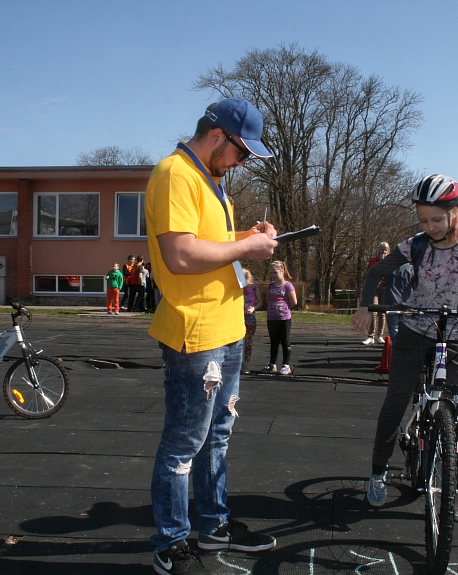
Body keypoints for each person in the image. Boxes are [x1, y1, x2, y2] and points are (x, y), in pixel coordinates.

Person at [145, 98, 279, 575]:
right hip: (194, 333)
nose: (242, 163)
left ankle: (213, 526)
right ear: (218, 136)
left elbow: (212, 244)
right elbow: (180, 254)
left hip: (225, 328)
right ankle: (171, 541)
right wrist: (248, 245)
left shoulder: (212, 182)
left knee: (217, 435)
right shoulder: (174, 175)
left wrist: (248, 233)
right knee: (184, 442)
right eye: (242, 153)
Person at [352, 174, 458, 523]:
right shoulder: (415, 245)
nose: (430, 226)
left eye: (437, 219)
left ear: (454, 214)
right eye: (423, 219)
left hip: (457, 336)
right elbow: (375, 273)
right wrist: (365, 304)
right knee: (396, 402)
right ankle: (378, 471)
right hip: (416, 332)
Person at [260, 260, 297, 376]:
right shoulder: (271, 285)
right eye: (271, 273)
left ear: (282, 271)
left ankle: (286, 365)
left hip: (284, 318)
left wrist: (283, 309)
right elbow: (267, 299)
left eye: (275, 272)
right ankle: (272, 364)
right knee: (274, 341)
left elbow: (294, 302)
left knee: (285, 341)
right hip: (272, 317)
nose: (273, 275)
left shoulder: (287, 285)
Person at [362, 242, 390, 345]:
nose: (383, 252)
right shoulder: (373, 261)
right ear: (378, 250)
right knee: (373, 312)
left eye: (385, 250)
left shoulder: (390, 261)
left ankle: (380, 335)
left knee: (382, 313)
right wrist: (382, 261)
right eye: (381, 249)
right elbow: (376, 271)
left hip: (385, 288)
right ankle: (370, 336)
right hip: (375, 289)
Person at [382, 263, 414, 340]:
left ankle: (396, 347)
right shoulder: (412, 270)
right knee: (408, 330)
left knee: (394, 329)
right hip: (407, 303)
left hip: (392, 303)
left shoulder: (389, 268)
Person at [241, 268, 263, 375]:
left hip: (249, 317)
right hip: (238, 316)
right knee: (237, 342)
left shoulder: (254, 288)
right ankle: (237, 363)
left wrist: (253, 308)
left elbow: (260, 302)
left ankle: (246, 363)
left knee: (248, 341)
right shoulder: (237, 288)